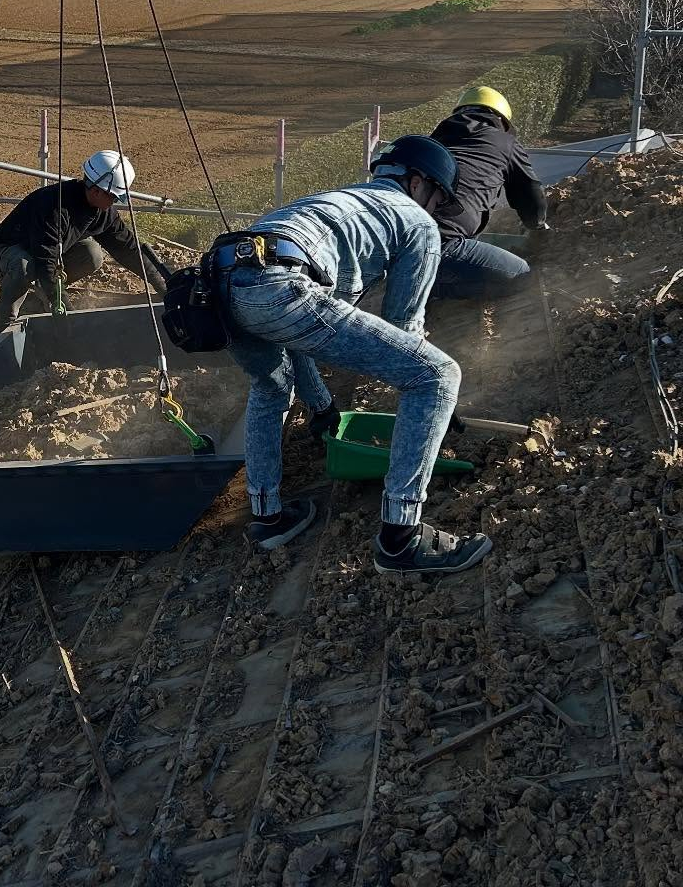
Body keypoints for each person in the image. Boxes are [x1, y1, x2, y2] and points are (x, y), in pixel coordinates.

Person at [211, 135, 492, 576]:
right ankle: (401, 541)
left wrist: (321, 405)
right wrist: (439, 405)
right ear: (419, 183)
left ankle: (268, 519)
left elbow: (289, 319)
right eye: (438, 198)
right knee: (438, 376)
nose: (436, 208)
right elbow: (405, 328)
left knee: (271, 387)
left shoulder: (340, 199)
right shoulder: (418, 222)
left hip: (220, 286)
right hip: (281, 284)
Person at [0, 150, 169, 333]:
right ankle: (3, 329)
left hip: (49, 253)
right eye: (113, 197)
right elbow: (45, 260)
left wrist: (160, 284)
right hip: (8, 251)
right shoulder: (54, 206)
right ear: (96, 190)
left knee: (92, 254)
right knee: (25, 265)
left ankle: (44, 290)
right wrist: (65, 309)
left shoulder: (103, 212)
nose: (114, 202)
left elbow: (128, 249)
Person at [429, 86, 547, 300]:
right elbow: (530, 196)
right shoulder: (506, 142)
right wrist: (539, 228)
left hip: (399, 243)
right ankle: (433, 289)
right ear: (501, 120)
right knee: (523, 276)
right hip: (440, 247)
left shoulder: (434, 141)